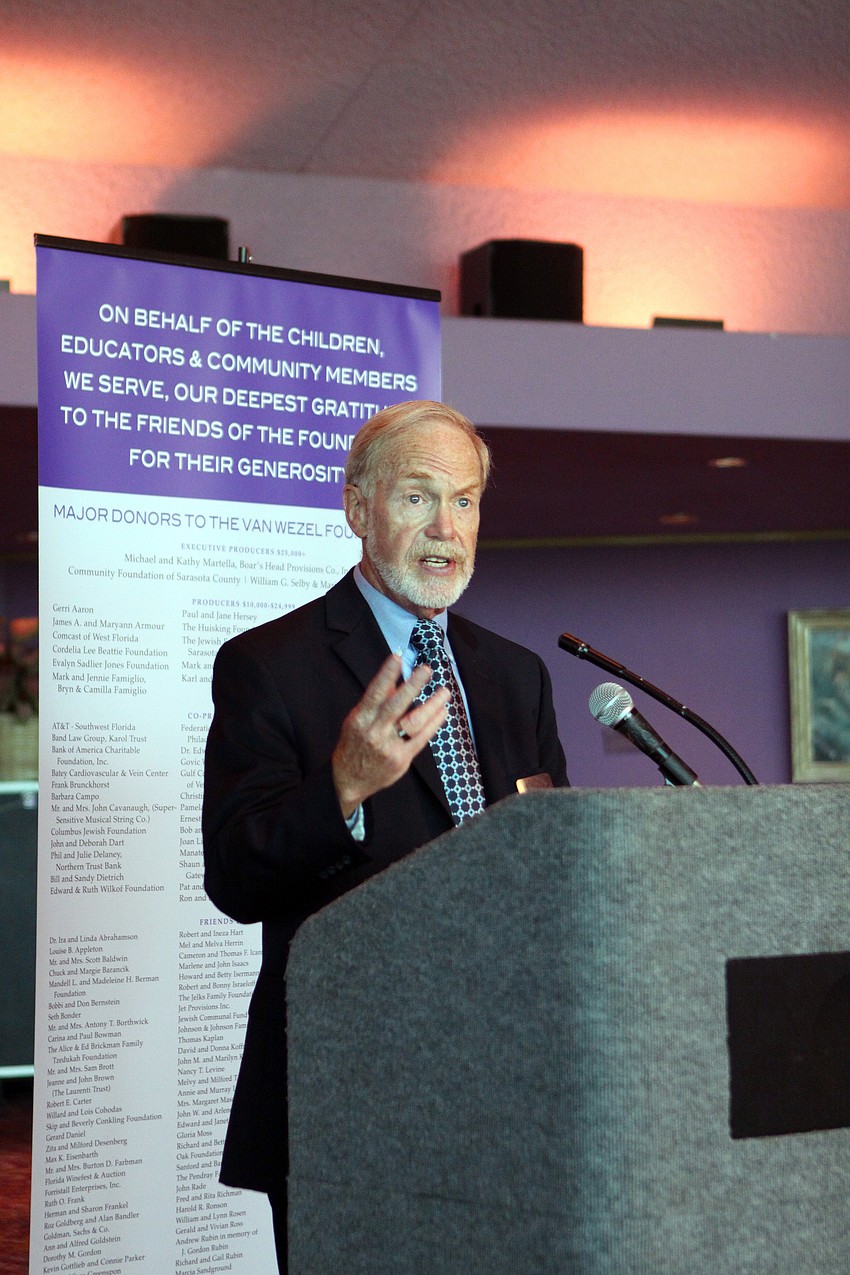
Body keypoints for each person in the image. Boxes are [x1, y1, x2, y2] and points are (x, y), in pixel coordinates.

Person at [202, 399, 568, 1271]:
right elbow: (236, 876)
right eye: (418, 497)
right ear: (359, 509)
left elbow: (553, 873)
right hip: (349, 1092)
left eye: (466, 501)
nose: (448, 528)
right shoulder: (269, 665)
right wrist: (343, 787)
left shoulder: (519, 677)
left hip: (506, 1089)